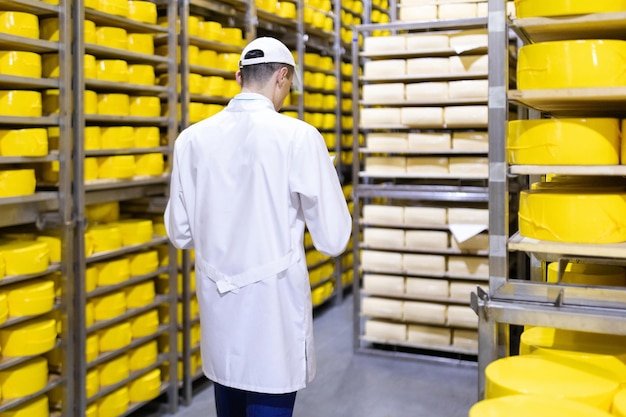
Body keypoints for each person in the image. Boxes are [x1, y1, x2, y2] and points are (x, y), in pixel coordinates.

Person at [164, 36, 352, 417]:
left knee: (228, 396)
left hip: (220, 313)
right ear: (282, 77)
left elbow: (180, 233)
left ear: (239, 77)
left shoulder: (190, 141)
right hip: (273, 317)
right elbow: (332, 239)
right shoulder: (299, 137)